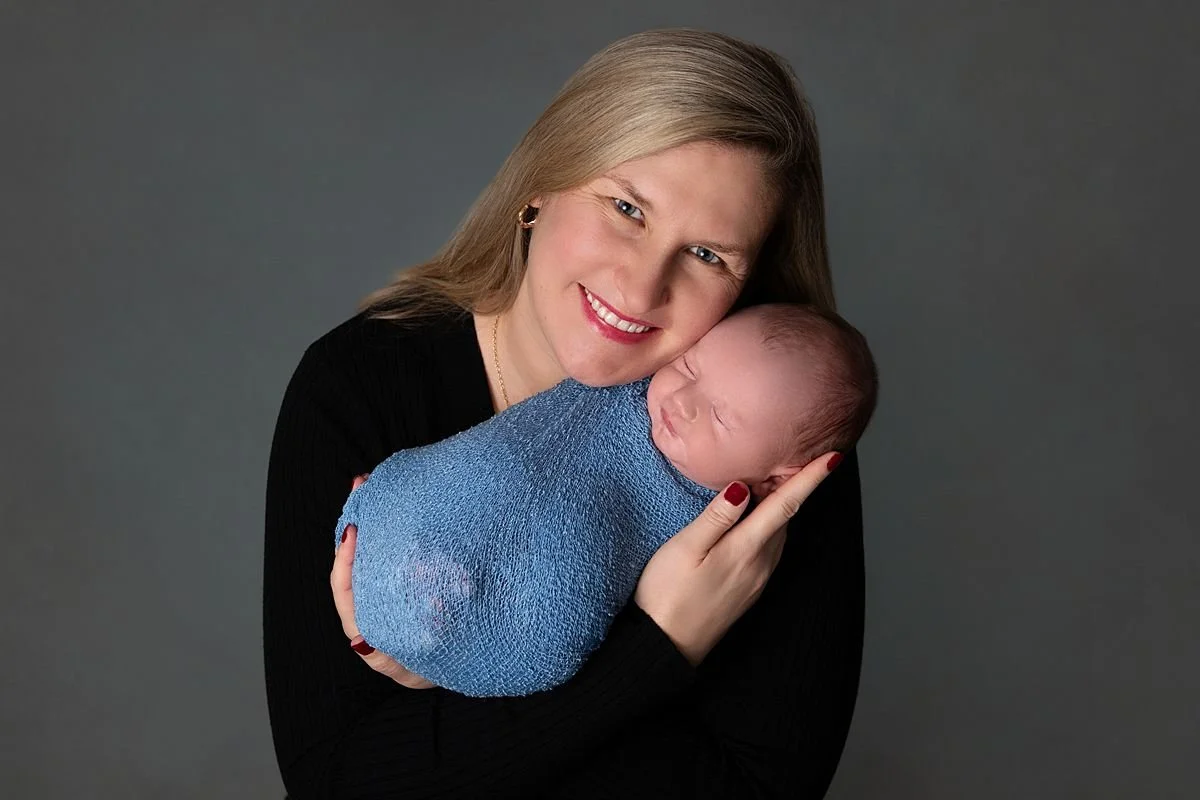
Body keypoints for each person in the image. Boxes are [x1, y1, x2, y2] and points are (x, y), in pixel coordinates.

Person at [264, 28, 868, 798]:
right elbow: (337, 783)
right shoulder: (360, 381)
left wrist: (460, 714)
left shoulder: (774, 427)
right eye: (626, 207)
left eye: (709, 254)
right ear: (540, 183)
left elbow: (762, 788)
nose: (643, 288)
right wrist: (655, 652)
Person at [335, 303, 877, 698]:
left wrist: (662, 641)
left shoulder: (724, 546)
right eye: (690, 366)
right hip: (418, 523)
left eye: (719, 416)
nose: (682, 400)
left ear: (780, 480)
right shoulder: (625, 381)